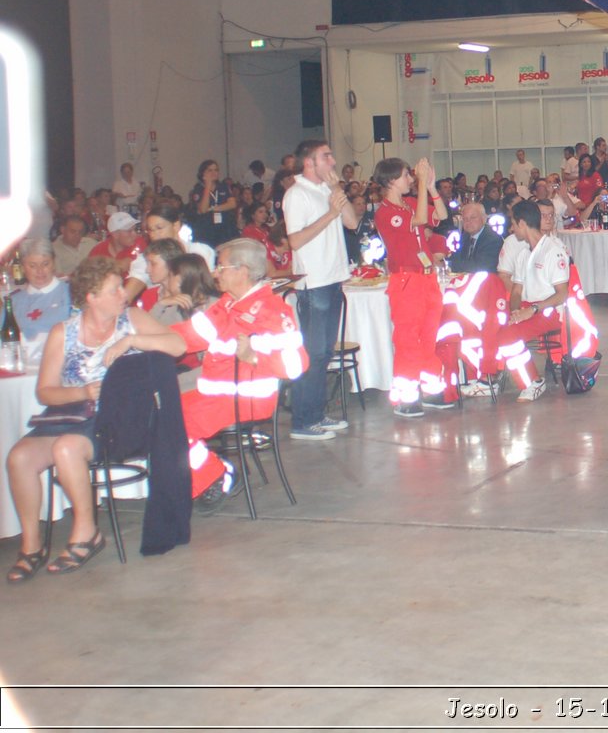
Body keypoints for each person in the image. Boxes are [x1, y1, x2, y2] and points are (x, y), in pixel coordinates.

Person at [5, 257, 185, 581]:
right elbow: (45, 392)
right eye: (115, 289)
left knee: (67, 449)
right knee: (19, 457)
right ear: (91, 296)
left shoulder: (131, 319)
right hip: (73, 412)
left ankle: (87, 532)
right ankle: (31, 545)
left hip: (119, 419)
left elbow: (177, 345)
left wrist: (131, 341)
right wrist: (83, 392)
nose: (123, 294)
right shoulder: (64, 332)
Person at [171, 238, 309, 512]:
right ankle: (210, 475)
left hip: (244, 399)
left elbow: (296, 366)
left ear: (242, 271)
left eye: (221, 267)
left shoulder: (271, 310)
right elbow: (188, 336)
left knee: (171, 425)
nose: (215, 273)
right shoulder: (227, 304)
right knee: (162, 414)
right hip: (217, 395)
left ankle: (216, 475)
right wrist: (137, 336)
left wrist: (255, 358)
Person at [282, 138, 358, 441]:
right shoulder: (296, 194)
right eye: (326, 156)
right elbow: (295, 241)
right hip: (313, 283)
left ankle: (316, 412)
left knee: (325, 353)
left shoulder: (327, 190)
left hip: (333, 278)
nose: (333, 161)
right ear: (309, 163)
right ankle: (302, 420)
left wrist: (337, 193)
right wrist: (329, 213)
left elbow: (351, 222)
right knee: (312, 354)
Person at [373, 157, 451, 416]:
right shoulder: (386, 212)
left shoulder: (408, 204)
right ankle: (406, 396)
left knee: (429, 335)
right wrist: (420, 186)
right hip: (406, 280)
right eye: (407, 175)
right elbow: (419, 219)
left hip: (426, 276)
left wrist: (429, 187)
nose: (409, 179)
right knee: (408, 338)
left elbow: (441, 214)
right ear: (391, 180)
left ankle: (430, 388)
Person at [496, 199, 574, 402]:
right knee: (491, 326)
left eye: (513, 224)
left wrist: (532, 310)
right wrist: (515, 312)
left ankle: (532, 381)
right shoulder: (523, 254)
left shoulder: (553, 250)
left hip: (548, 311)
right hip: (527, 308)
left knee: (507, 337)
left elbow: (562, 294)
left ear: (522, 224)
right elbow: (516, 290)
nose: (512, 229)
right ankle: (489, 379)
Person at [8, 239, 72, 343]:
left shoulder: (71, 294)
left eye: (45, 264)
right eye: (32, 266)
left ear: (54, 263)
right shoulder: (13, 301)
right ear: (23, 268)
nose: (40, 271)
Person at [187, 160, 238, 251]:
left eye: (216, 170)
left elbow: (232, 204)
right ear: (203, 173)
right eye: (210, 170)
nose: (214, 173)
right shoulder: (198, 188)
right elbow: (203, 209)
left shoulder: (223, 186)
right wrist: (207, 186)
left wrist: (214, 208)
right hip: (206, 230)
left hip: (223, 228)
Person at [449, 201, 503, 274]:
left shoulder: (493, 239)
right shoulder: (465, 236)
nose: (468, 222)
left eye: (473, 218)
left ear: (484, 219)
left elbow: (479, 266)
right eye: (465, 219)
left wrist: (452, 264)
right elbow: (455, 258)